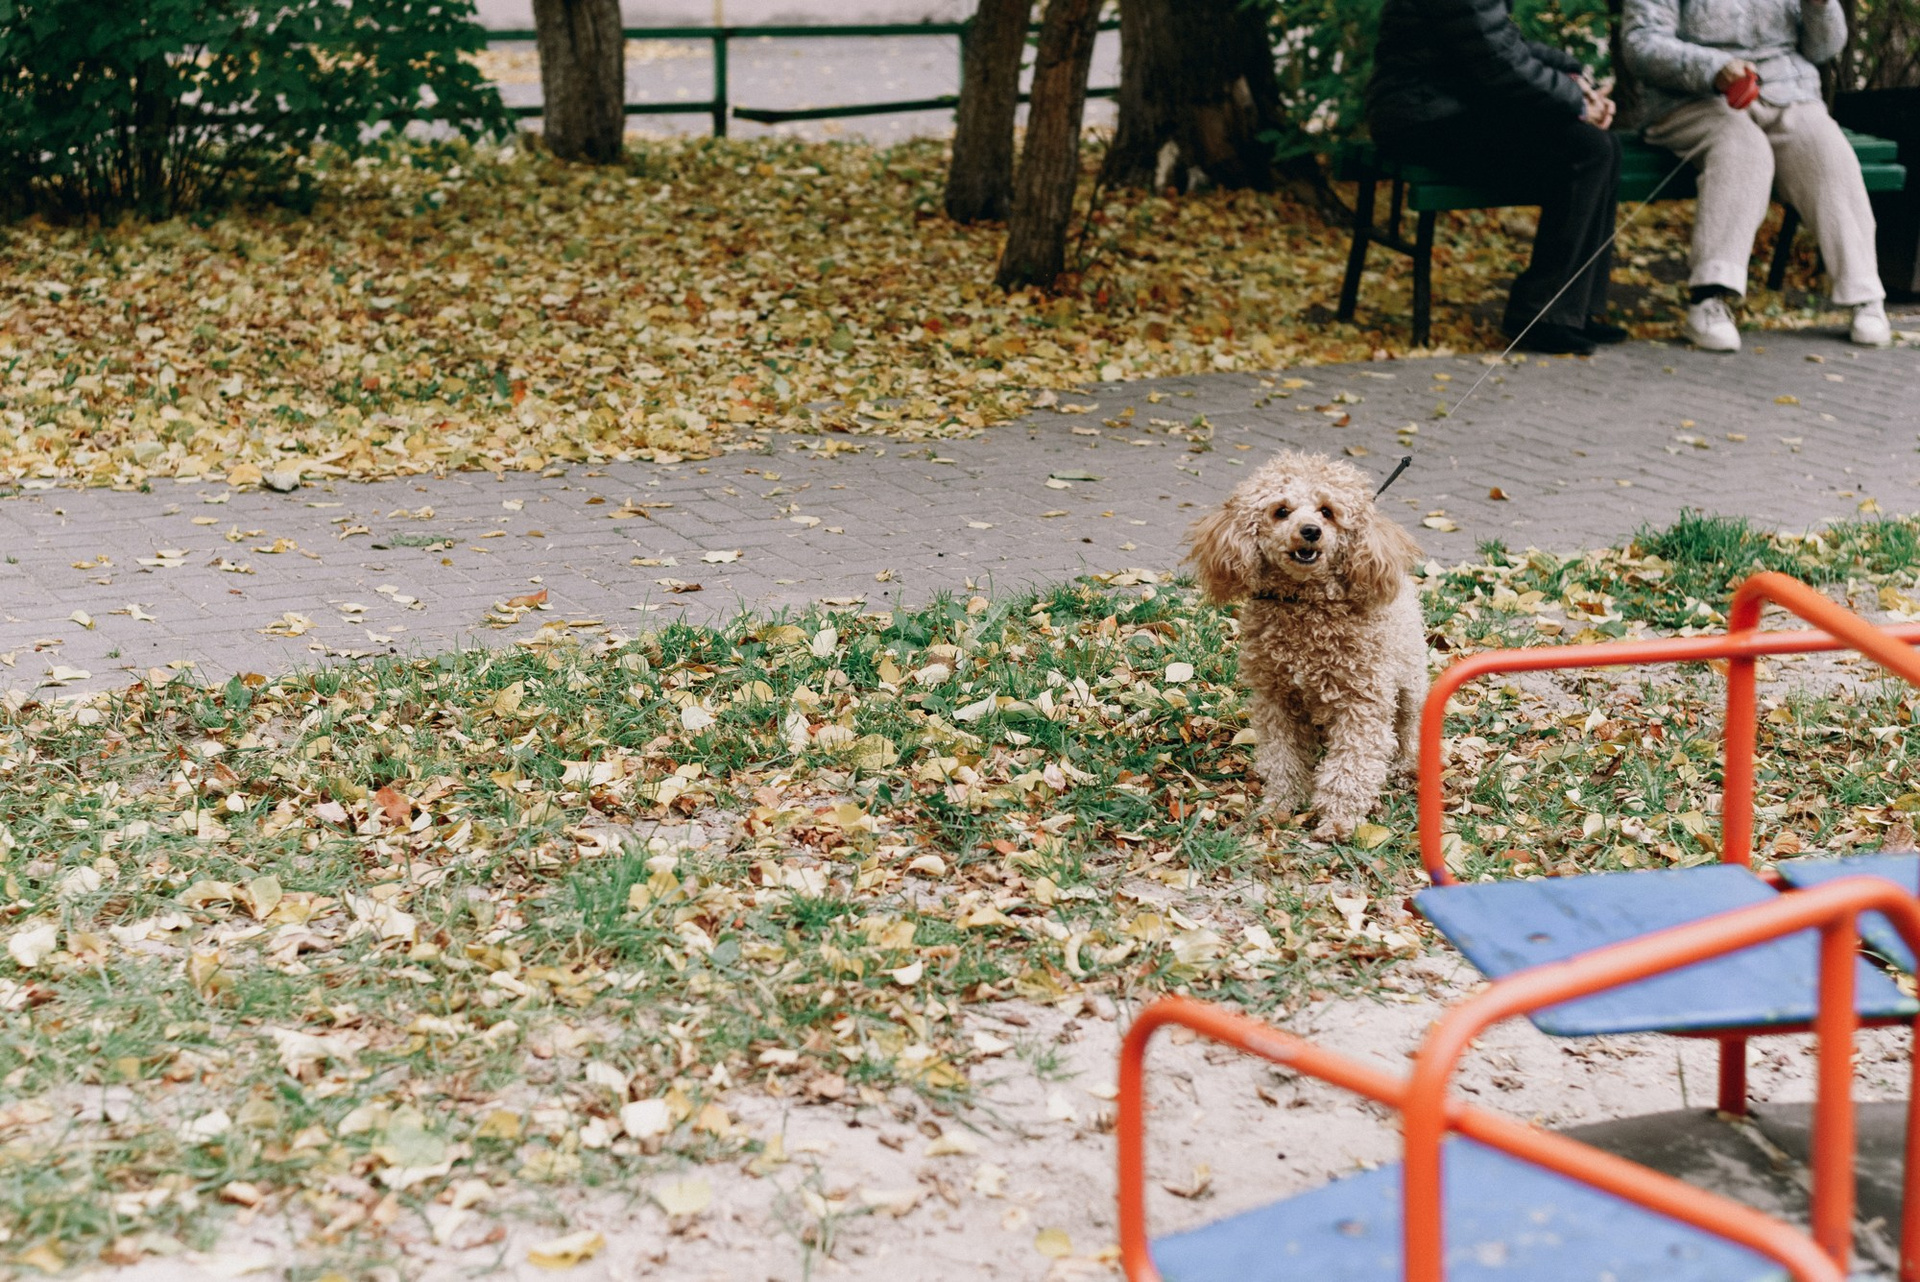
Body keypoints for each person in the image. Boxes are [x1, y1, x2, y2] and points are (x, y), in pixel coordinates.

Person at [1625, 0, 1891, 351]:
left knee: (1827, 151)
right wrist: (1714, 67)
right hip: (1692, 100)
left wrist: (1820, 8)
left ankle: (1865, 293)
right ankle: (1709, 297)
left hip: (1788, 94)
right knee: (1743, 149)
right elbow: (1641, 43)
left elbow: (1823, 49)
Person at [1369, 0, 1624, 356]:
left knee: (1602, 147)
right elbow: (1497, 59)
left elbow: (1501, 41)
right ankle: (1540, 314)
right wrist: (1578, 102)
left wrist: (1573, 75)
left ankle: (1573, 310)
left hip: (1453, 106)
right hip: (1424, 117)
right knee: (1587, 148)